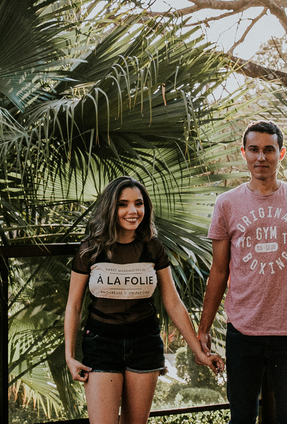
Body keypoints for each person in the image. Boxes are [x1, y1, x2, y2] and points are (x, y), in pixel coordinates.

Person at [197, 120, 287, 424]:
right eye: (254, 150)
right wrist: (204, 329)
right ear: (243, 152)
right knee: (241, 417)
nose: (261, 157)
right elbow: (218, 272)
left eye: (269, 150)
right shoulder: (227, 204)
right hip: (243, 330)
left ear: (281, 154)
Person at [65, 176, 223, 424]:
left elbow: (172, 302)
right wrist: (69, 356)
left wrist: (199, 351)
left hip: (144, 343)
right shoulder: (90, 250)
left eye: (138, 203)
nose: (132, 211)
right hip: (101, 342)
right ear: (111, 208)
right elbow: (73, 306)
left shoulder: (153, 248)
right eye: (123, 204)